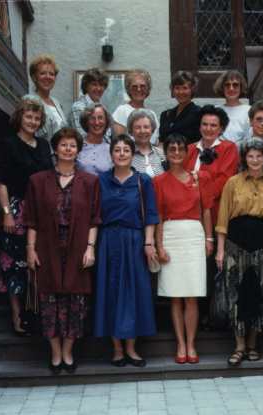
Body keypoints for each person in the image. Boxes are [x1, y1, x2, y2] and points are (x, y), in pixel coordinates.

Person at [24, 128, 101, 374]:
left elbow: (94, 219)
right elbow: (31, 219)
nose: (68, 149)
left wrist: (91, 248)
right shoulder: (37, 181)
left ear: (78, 150)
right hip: (47, 248)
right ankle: (55, 353)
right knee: (49, 303)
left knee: (76, 303)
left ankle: (68, 352)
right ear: (55, 149)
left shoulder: (90, 181)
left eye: (73, 145)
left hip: (78, 248)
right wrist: (30, 248)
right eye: (63, 145)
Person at [215, 139, 263, 366]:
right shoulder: (232, 183)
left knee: (259, 295)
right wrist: (219, 251)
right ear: (244, 158)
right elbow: (223, 220)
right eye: (250, 156)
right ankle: (239, 346)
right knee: (236, 294)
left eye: (259, 156)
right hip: (236, 246)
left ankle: (254, 344)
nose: (255, 160)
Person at [94, 135, 159, 367]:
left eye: (126, 150)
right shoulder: (101, 181)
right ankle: (117, 349)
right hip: (108, 241)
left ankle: (131, 348)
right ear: (111, 154)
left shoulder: (143, 181)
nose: (121, 154)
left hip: (134, 240)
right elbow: (94, 216)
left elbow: (151, 214)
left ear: (133, 154)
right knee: (110, 291)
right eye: (117, 150)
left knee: (133, 292)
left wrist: (149, 243)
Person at [153, 134, 214, 364]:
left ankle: (191, 344)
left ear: (187, 152)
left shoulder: (200, 178)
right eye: (172, 149)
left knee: (192, 296)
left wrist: (209, 239)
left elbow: (207, 210)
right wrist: (159, 245)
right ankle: (180, 344)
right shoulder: (158, 181)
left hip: (193, 236)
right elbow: (157, 215)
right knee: (175, 296)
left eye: (180, 148)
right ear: (166, 153)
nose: (176, 153)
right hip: (170, 235)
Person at [0, 98, 53, 336]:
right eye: (29, 117)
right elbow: (0, 182)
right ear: (20, 117)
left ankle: (36, 313)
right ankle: (18, 316)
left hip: (41, 210)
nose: (33, 121)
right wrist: (7, 213)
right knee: (14, 264)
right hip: (16, 210)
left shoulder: (43, 145)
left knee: (37, 263)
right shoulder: (7, 145)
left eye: (37, 118)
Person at [184, 104, 238, 223]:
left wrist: (198, 198)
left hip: (215, 212)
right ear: (199, 126)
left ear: (221, 129)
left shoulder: (228, 148)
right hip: (187, 211)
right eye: (205, 124)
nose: (208, 128)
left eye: (213, 125)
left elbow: (224, 180)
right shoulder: (189, 149)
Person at [27, 54, 67, 142]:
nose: (47, 77)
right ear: (34, 77)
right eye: (43, 73)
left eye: (51, 74)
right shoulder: (30, 101)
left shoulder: (57, 103)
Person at [112, 69, 160, 144]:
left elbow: (155, 142)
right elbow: (119, 142)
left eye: (142, 86)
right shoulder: (121, 111)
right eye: (134, 86)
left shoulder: (152, 114)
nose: (138, 89)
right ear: (128, 89)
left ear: (148, 89)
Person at [159, 70, 201, 144]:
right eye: (177, 88)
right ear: (173, 90)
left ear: (192, 90)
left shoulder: (199, 113)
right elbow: (161, 140)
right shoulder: (165, 115)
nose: (181, 92)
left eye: (185, 88)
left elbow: (201, 141)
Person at [69, 68, 111, 142]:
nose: (98, 88)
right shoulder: (78, 107)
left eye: (101, 85)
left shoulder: (102, 108)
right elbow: (82, 137)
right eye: (94, 84)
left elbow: (108, 135)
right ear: (86, 86)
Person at [215, 70, 251, 143]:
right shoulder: (215, 110)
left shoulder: (249, 110)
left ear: (241, 88)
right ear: (222, 88)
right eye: (227, 85)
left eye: (235, 85)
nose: (231, 88)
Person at [77, 103, 113, 175]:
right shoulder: (77, 146)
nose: (97, 122)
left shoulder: (111, 149)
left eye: (100, 118)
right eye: (92, 118)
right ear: (86, 122)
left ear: (106, 121)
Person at [128, 109, 166, 178]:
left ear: (152, 129)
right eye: (137, 127)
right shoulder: (126, 155)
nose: (142, 131)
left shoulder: (162, 154)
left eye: (146, 127)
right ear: (131, 131)